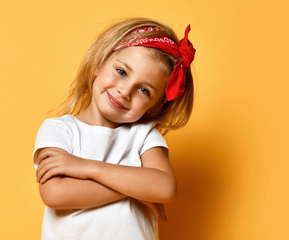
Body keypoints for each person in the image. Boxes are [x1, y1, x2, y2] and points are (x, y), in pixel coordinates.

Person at [33, 17, 195, 240]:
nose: (125, 91)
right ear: (98, 64)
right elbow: (54, 193)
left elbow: (165, 187)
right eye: (121, 72)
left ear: (155, 105)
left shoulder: (144, 135)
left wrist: (87, 168)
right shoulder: (60, 129)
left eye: (144, 90)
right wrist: (136, 190)